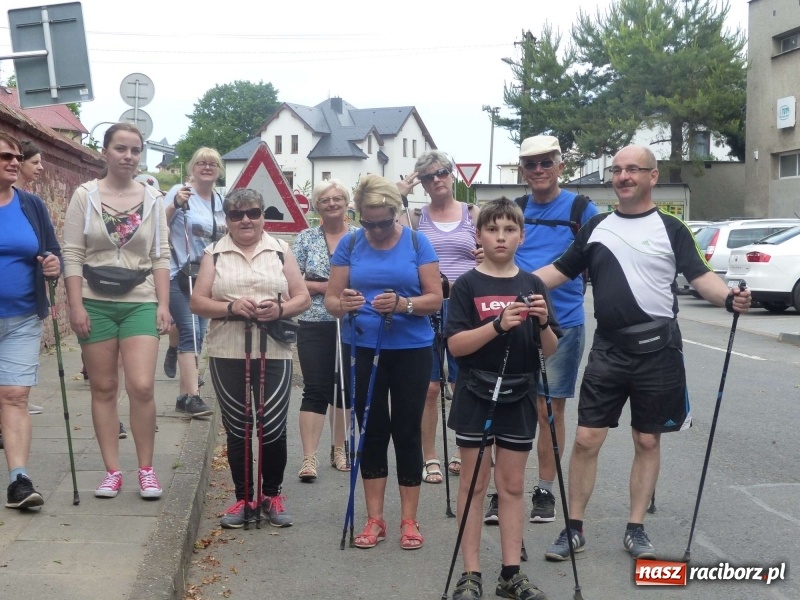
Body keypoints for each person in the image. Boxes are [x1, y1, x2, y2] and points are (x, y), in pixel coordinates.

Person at [536, 145, 751, 562]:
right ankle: (574, 528)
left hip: (660, 350)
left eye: (633, 169)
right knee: (586, 439)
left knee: (647, 439)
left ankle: (635, 528)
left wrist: (729, 298)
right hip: (609, 348)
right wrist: (509, 281)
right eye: (617, 170)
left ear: (653, 176)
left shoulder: (672, 228)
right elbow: (558, 270)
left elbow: (701, 276)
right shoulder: (596, 226)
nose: (623, 176)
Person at [446, 198, 558, 600]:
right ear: (478, 235)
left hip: (519, 393)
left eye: (509, 230)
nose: (500, 237)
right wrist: (497, 324)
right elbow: (456, 346)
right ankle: (471, 572)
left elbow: (550, 350)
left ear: (521, 236)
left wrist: (542, 323)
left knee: (511, 485)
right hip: (476, 391)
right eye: (492, 229)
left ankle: (511, 573)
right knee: (474, 484)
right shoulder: (466, 285)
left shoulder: (533, 284)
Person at [324, 174, 442, 550]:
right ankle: (375, 519)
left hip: (411, 348)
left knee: (406, 432)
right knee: (372, 432)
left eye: (383, 223)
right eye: (368, 222)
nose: (375, 230)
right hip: (361, 345)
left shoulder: (417, 242)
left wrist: (404, 304)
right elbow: (330, 301)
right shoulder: (350, 242)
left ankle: (409, 519)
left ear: (396, 212)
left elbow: (435, 298)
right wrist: (344, 303)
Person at [62, 122, 171, 500]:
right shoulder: (85, 196)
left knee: (141, 385)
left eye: (135, 150)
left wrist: (163, 305)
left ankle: (146, 469)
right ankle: (112, 471)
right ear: (105, 152)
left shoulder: (153, 199)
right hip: (94, 301)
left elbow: (161, 255)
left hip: (140, 299)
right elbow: (72, 253)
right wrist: (75, 305)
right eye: (121, 149)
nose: (128, 156)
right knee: (104, 386)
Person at [190, 188, 310, 529]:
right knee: (239, 428)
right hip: (227, 350)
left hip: (275, 350)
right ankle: (244, 499)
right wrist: (230, 307)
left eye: (253, 213)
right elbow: (198, 302)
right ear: (227, 220)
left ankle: (271, 495)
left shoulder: (280, 250)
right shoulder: (214, 253)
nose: (246, 220)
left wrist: (280, 309)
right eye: (237, 214)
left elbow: (302, 297)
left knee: (272, 425)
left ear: (262, 216)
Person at [502, 136, 598, 525]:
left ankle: (544, 489)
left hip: (563, 322)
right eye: (531, 164)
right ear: (522, 170)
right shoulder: (515, 208)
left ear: (561, 166)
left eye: (546, 162)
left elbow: (596, 257)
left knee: (548, 409)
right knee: (504, 404)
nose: (538, 170)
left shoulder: (581, 209)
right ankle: (502, 489)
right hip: (511, 321)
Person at [398, 150, 481, 484]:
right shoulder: (415, 216)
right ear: (422, 183)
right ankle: (429, 455)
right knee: (430, 387)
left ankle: (463, 449)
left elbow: (496, 248)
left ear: (452, 174)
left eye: (442, 172)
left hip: (466, 307)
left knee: (463, 382)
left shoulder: (472, 213)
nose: (437, 180)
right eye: (428, 176)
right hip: (428, 306)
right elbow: (394, 239)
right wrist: (400, 195)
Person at [0, 132, 61, 509]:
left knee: (15, 396)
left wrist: (53, 265)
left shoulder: (31, 205)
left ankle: (18, 481)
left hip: (22, 318)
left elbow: (52, 251)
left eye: (16, 156)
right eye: (4, 156)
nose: (13, 162)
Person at [292, 179, 356, 481]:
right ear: (316, 206)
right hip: (313, 322)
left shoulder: (359, 237)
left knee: (345, 387)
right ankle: (309, 458)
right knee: (315, 388)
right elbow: (290, 279)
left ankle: (339, 449)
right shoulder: (305, 238)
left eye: (337, 198)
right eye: (325, 200)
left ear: (346, 203)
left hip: (351, 322)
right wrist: (322, 287)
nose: (331, 204)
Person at [164, 150, 225, 418]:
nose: (207, 168)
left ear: (219, 170)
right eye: (201, 163)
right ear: (192, 167)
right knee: (190, 331)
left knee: (198, 334)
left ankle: (182, 396)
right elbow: (158, 224)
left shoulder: (220, 201)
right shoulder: (181, 192)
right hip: (179, 273)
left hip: (206, 277)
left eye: (213, 164)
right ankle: (193, 396)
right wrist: (175, 204)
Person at [16, 140, 49, 416]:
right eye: (35, 162)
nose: (40, 167)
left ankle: (17, 402)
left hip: (26, 304)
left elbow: (49, 246)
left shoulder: (31, 202)